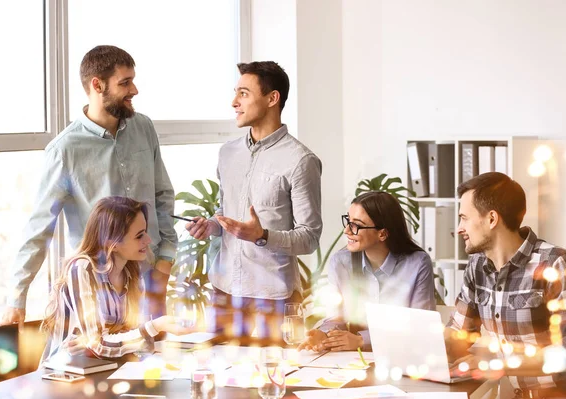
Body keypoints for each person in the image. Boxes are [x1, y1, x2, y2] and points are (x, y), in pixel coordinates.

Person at [1, 45, 177, 325]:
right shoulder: (65, 150)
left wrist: (165, 261)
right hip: (97, 290)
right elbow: (40, 227)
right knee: (103, 362)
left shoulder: (143, 127)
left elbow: (163, 196)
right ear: (97, 85)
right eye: (125, 82)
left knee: (153, 362)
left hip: (149, 277)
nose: (135, 90)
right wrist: (17, 298)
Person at [186, 61, 322, 338]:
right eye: (236, 93)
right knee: (222, 380)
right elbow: (226, 212)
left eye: (244, 94)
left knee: (279, 379)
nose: (234, 102)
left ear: (273, 98)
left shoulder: (300, 161)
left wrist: (262, 236)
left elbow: (309, 238)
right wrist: (211, 225)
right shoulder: (228, 153)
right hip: (223, 294)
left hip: (272, 299)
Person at [446, 172, 566, 397]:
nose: (459, 228)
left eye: (464, 218)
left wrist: (499, 362)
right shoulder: (477, 266)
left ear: (492, 219)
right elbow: (458, 333)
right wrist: (420, 347)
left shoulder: (554, 263)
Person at [42, 197, 192, 359]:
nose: (148, 240)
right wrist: (153, 327)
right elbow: (99, 345)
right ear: (111, 242)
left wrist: (115, 340)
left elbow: (137, 342)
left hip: (108, 368)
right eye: (139, 236)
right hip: (66, 373)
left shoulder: (132, 275)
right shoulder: (82, 269)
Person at [299, 191, 436, 352]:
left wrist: (361, 340)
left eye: (356, 225)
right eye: (348, 221)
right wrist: (324, 335)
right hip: (354, 361)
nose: (347, 231)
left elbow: (419, 327)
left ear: (382, 233)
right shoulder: (340, 262)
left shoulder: (418, 264)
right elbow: (335, 318)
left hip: (404, 356)